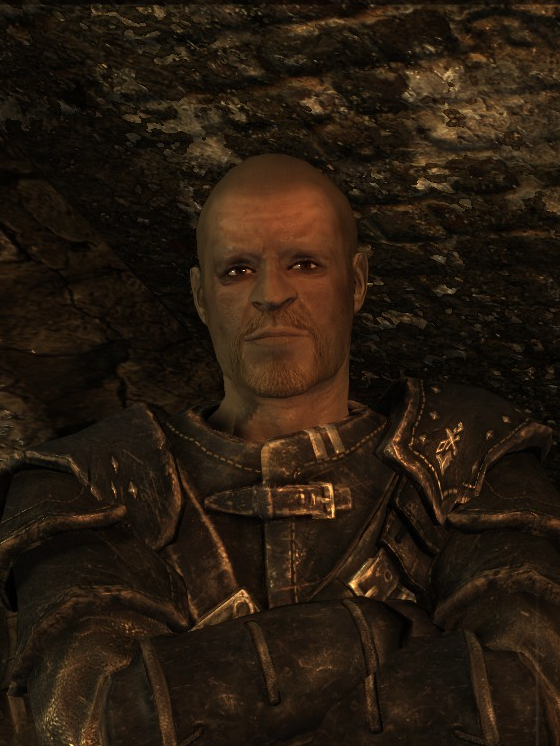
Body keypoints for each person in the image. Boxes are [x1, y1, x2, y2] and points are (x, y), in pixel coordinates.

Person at [0, 153, 558, 746]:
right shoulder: (91, 482)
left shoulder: (467, 454)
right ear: (199, 296)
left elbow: (534, 695)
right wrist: (376, 632)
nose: (271, 293)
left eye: (305, 264)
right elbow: (88, 721)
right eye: (238, 270)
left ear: (357, 281)